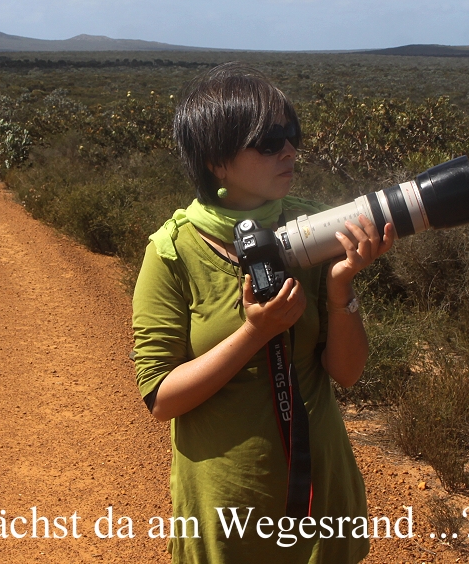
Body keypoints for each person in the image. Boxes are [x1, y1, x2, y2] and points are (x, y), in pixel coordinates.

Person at [132, 62, 396, 563]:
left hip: (321, 501)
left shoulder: (314, 230)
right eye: (270, 141)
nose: (290, 150)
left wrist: (341, 290)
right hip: (228, 509)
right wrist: (255, 333)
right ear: (216, 160)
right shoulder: (173, 252)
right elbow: (161, 398)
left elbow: (347, 373)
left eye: (292, 134)